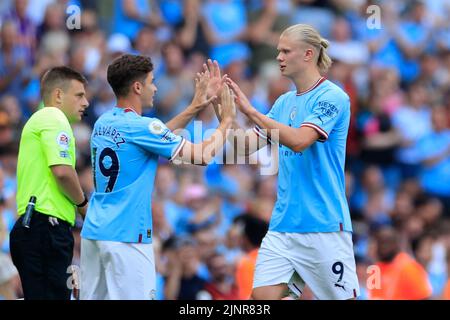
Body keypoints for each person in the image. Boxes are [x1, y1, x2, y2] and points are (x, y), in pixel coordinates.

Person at [206, 23, 360, 300]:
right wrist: (223, 108)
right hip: (283, 225)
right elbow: (243, 146)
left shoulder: (333, 97)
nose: (278, 57)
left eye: (286, 51)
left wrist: (251, 111)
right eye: (278, 51)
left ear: (308, 54)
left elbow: (300, 140)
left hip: (323, 224)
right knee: (261, 298)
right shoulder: (283, 102)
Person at [80, 54, 235, 300]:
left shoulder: (104, 122)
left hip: (95, 231)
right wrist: (227, 121)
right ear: (137, 86)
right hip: (128, 235)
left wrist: (195, 106)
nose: (155, 88)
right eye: (152, 81)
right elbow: (203, 156)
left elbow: (154, 136)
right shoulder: (142, 127)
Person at [9, 66, 90, 300]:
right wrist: (84, 206)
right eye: (79, 95)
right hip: (46, 228)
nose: (86, 102)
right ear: (58, 95)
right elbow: (63, 171)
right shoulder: (54, 117)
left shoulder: (40, 120)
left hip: (35, 227)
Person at [368, 226, 432, 300]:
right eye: (381, 243)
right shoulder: (374, 270)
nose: (383, 247)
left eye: (387, 243)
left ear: (396, 244)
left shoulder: (409, 267)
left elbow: (424, 296)